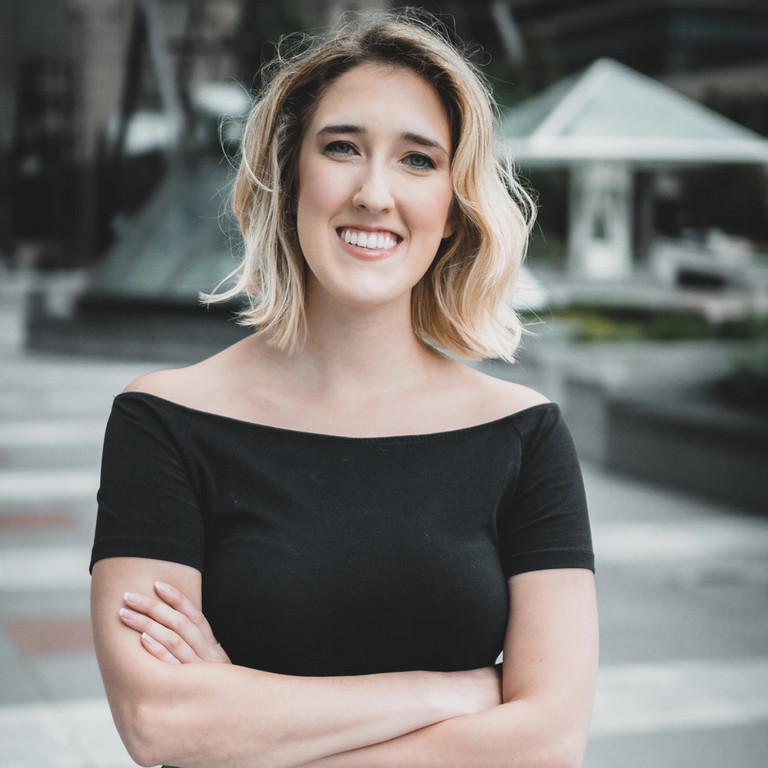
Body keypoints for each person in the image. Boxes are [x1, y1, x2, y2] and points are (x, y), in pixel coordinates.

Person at [90, 9, 598, 768]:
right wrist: (449, 692)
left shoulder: (525, 437)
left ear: (455, 211)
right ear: (291, 175)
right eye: (342, 148)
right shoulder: (163, 421)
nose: (373, 192)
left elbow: (550, 740)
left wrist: (246, 724)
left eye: (418, 160)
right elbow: (160, 721)